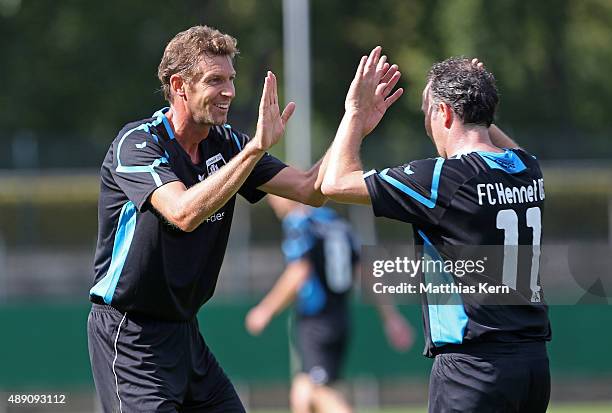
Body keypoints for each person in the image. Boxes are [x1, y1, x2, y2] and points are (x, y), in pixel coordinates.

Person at [86, 24, 354, 412]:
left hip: (185, 332)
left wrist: (353, 119)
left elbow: (310, 189)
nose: (229, 91)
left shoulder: (227, 144)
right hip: (129, 335)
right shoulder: (138, 143)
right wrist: (255, 150)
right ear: (180, 85)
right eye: (215, 80)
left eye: (231, 79)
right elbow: (183, 213)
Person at [321, 47, 551, 412]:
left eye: (428, 112)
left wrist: (355, 114)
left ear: (443, 112)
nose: (427, 125)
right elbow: (499, 145)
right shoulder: (526, 168)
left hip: (472, 368)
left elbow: (334, 183)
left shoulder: (444, 178)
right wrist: (476, 97)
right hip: (533, 367)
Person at [245, 195, 413, 413]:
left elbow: (299, 271)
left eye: (274, 193)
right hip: (340, 318)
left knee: (318, 391)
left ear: (289, 193)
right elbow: (365, 271)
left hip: (316, 321)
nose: (270, 200)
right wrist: (391, 317)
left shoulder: (299, 222)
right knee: (302, 393)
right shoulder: (335, 222)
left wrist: (265, 309)